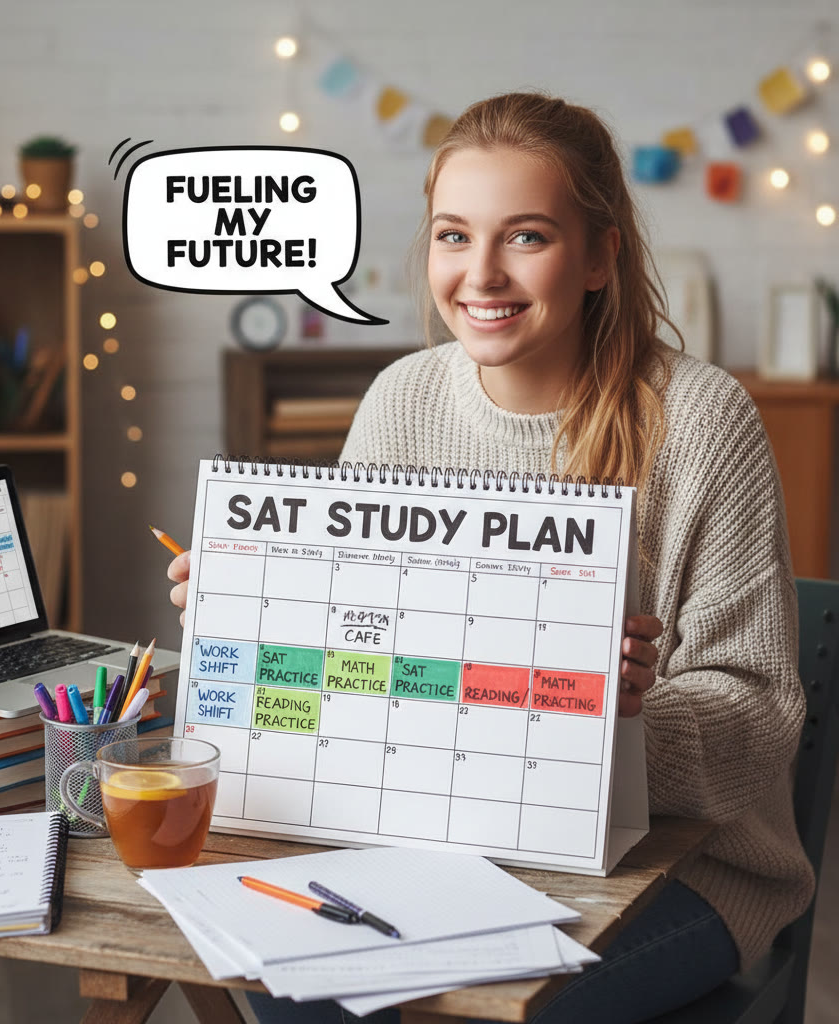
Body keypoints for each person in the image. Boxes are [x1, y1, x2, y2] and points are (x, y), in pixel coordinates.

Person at [168, 92, 815, 1023]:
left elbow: (758, 711)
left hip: (685, 867)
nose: (481, 273)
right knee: (284, 985)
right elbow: (366, 663)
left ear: (599, 257)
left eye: (525, 237)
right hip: (429, 851)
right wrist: (258, 616)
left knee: (477, 1011)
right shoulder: (400, 400)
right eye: (452, 235)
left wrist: (614, 726)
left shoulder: (705, 422)